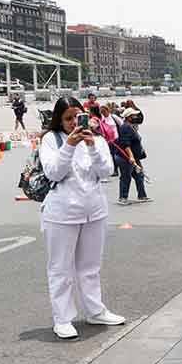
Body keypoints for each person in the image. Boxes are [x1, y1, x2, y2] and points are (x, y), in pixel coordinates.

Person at [38, 97, 126, 340]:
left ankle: (95, 310)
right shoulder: (50, 140)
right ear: (59, 120)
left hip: (94, 211)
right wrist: (69, 145)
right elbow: (54, 172)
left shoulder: (97, 140)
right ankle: (63, 319)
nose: (73, 123)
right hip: (61, 214)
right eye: (67, 119)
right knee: (60, 269)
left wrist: (90, 146)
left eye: (77, 117)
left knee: (90, 267)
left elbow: (106, 171)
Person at [114, 108, 152, 205]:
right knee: (126, 177)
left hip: (134, 157)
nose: (136, 117)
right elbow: (125, 144)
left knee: (139, 175)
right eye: (134, 115)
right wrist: (131, 157)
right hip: (125, 157)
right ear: (129, 117)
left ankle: (142, 196)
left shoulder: (131, 126)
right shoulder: (125, 127)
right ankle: (122, 198)